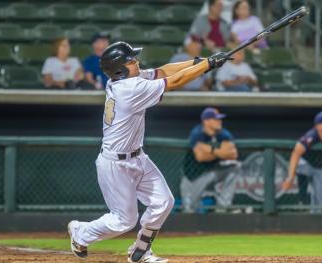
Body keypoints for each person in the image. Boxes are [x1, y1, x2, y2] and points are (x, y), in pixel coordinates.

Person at [66, 42, 231, 263]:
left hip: (138, 157)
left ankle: (141, 250)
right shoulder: (130, 89)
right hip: (116, 164)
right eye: (131, 60)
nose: (136, 62)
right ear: (119, 68)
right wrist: (207, 66)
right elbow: (175, 81)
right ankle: (81, 232)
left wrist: (198, 63)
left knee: (164, 202)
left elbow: (163, 71)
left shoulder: (124, 80)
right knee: (123, 221)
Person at [181, 107, 239, 213]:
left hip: (213, 171)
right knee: (189, 210)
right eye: (216, 119)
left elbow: (233, 154)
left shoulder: (223, 133)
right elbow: (200, 157)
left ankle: (223, 207)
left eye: (220, 119)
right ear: (206, 121)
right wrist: (221, 152)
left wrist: (210, 149)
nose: (219, 121)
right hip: (194, 176)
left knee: (234, 168)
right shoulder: (197, 133)